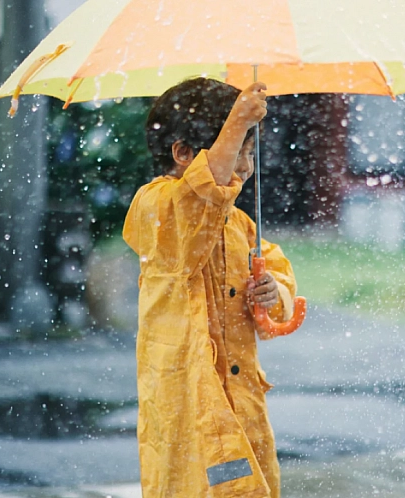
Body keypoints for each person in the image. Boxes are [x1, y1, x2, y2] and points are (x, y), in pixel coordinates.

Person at [123, 77, 297, 498]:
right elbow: (198, 200)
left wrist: (273, 291)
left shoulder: (239, 223)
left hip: (240, 397)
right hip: (188, 398)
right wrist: (238, 120)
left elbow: (278, 275)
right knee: (198, 485)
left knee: (249, 483)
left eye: (250, 153)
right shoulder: (155, 204)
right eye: (237, 151)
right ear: (182, 153)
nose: (246, 167)